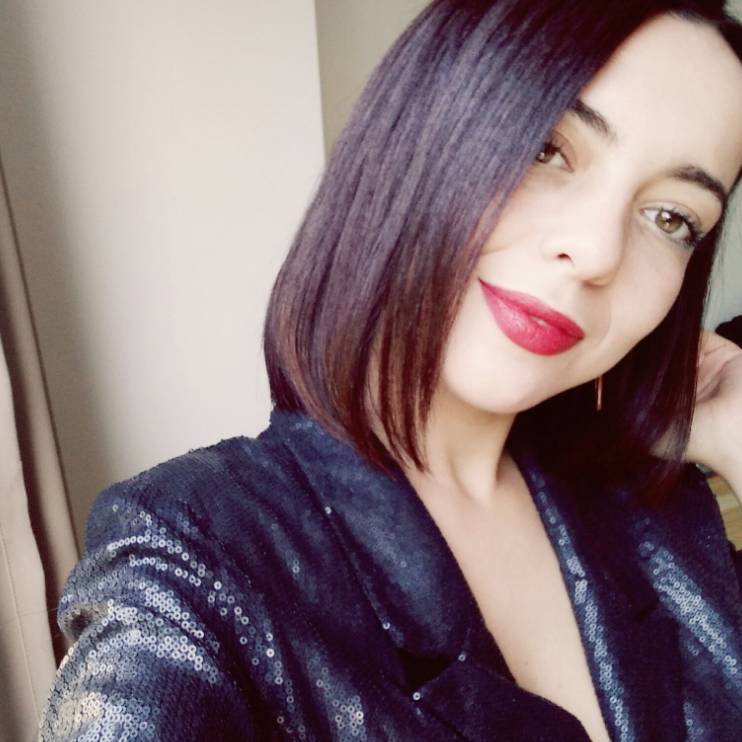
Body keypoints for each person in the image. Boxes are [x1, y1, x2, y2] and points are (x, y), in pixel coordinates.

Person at [39, 0, 742, 740]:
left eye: (672, 218)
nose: (597, 252)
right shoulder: (193, 561)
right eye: (547, 149)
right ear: (418, 136)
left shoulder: (655, 505)